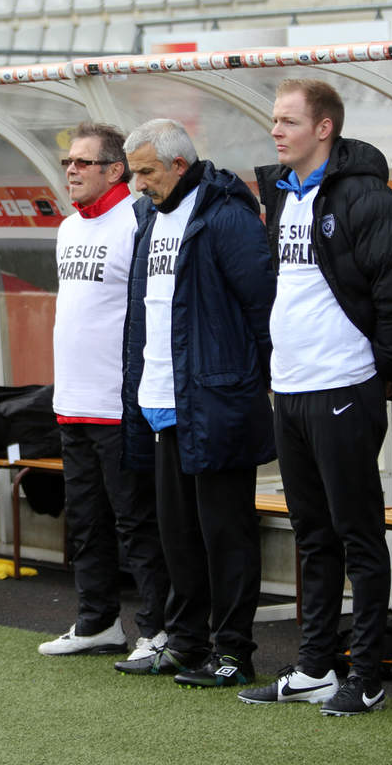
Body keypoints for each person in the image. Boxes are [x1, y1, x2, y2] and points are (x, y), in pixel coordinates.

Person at [242, 79, 392, 715]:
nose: (276, 130)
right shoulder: (281, 195)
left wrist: (380, 371)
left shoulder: (365, 196)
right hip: (292, 388)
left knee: (358, 534)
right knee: (312, 534)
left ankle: (364, 674)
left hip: (343, 385)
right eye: (274, 120)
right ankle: (314, 667)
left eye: (288, 121)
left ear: (324, 128)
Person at [113, 119, 275, 688]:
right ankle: (185, 643)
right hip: (160, 402)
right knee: (177, 537)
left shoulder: (226, 216)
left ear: (179, 165)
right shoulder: (147, 217)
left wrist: (260, 382)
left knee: (226, 537)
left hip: (215, 402)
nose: (138, 184)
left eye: (147, 172)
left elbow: (263, 307)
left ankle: (233, 652)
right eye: (134, 174)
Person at [38, 122, 170, 660]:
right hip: (72, 402)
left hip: (120, 405)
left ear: (116, 170)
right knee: (86, 522)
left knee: (137, 523)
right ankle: (97, 622)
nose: (71, 170)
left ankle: (158, 630)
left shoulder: (138, 222)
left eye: (83, 162)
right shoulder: (68, 228)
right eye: (68, 162)